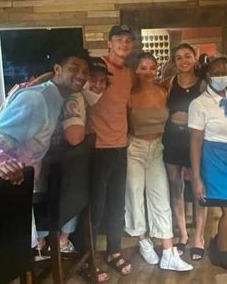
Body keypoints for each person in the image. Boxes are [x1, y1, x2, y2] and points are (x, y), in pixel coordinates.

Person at [0, 46, 90, 251]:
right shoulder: (36, 98)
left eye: (85, 72)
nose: (80, 75)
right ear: (57, 69)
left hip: (17, 190)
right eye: (74, 68)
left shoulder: (57, 98)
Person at [124, 52, 193, 272]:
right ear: (136, 70)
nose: (147, 72)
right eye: (142, 68)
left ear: (157, 70)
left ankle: (168, 252)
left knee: (161, 196)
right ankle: (143, 240)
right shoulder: (129, 95)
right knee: (135, 196)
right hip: (134, 148)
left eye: (151, 68)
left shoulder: (165, 91)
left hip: (157, 149)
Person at [189, 56, 227, 273]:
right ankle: (221, 254)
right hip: (214, 157)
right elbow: (195, 141)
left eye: (225, 71)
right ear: (207, 75)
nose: (221, 75)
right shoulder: (199, 104)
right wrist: (197, 178)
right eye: (216, 72)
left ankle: (218, 241)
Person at [87, 25, 136, 276]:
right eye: (119, 39)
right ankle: (88, 260)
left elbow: (125, 107)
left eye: (128, 40)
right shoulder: (95, 66)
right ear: (109, 43)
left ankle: (114, 251)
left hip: (120, 147)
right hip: (96, 148)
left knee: (117, 206)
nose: (124, 44)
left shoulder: (128, 73)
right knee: (95, 209)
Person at [161, 43, 207, 260]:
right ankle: (183, 235)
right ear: (174, 62)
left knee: (198, 188)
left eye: (187, 56)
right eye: (178, 58)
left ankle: (200, 237)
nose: (183, 61)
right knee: (174, 185)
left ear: (195, 57)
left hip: (194, 140)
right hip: (172, 138)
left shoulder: (203, 84)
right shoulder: (170, 83)